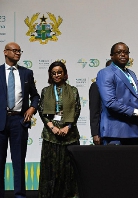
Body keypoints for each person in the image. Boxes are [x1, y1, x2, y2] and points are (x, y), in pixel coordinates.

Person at [0, 42, 40, 198]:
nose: (18, 53)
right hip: (1, 122)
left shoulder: (26, 73)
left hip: (19, 121)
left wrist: (32, 107)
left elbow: (35, 96)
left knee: (18, 162)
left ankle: (20, 195)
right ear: (5, 52)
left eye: (19, 51)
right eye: (14, 51)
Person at [38, 61, 81, 197]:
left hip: (70, 135)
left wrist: (68, 127)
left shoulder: (73, 90)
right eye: (54, 73)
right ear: (50, 75)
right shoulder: (45, 91)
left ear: (64, 73)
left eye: (59, 72)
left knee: (69, 170)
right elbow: (41, 111)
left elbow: (77, 110)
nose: (57, 75)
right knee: (50, 170)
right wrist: (52, 127)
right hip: (51, 136)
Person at [97, 42, 138, 145]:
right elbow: (110, 102)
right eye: (119, 52)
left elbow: (136, 98)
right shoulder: (105, 73)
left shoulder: (132, 74)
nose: (123, 54)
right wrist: (137, 112)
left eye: (125, 52)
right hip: (116, 131)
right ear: (111, 56)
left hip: (135, 129)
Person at [89, 59, 112, 145]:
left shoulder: (123, 86)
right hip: (104, 132)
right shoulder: (97, 86)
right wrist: (95, 133)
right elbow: (94, 111)